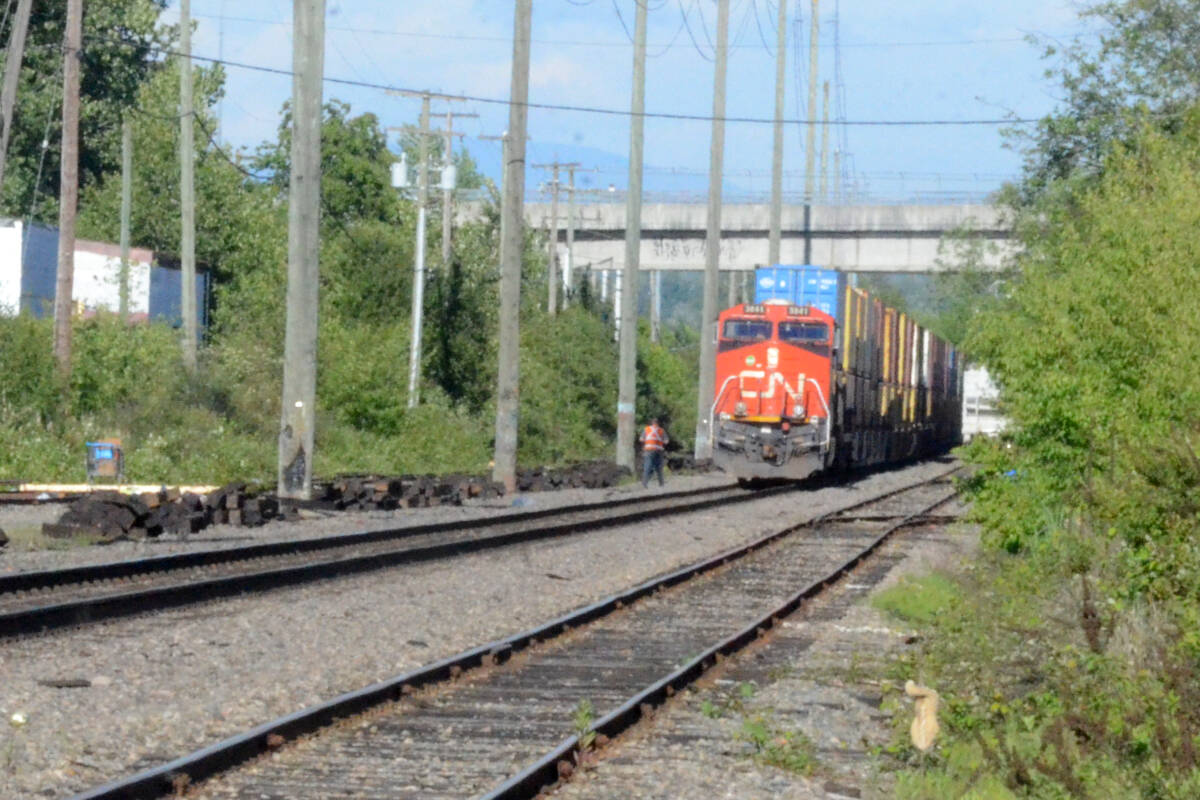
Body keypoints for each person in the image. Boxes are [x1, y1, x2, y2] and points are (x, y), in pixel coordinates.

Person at [639, 417, 669, 488]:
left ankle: (644, 483)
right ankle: (661, 484)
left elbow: (641, 439)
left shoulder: (647, 429)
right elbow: (666, 441)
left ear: (652, 423)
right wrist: (661, 442)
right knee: (659, 468)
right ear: (658, 423)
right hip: (658, 451)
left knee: (647, 467)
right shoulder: (661, 430)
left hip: (649, 450)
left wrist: (646, 443)